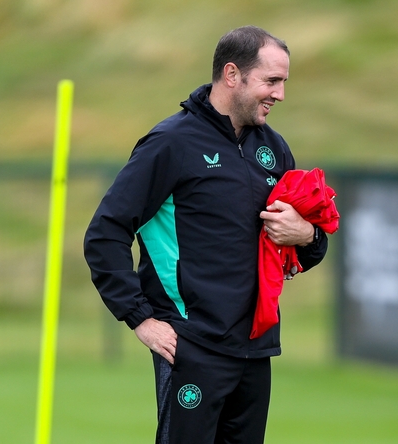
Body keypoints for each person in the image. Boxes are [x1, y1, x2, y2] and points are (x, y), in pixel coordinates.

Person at [84, 25, 328, 444]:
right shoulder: (170, 143)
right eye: (272, 81)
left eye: (284, 82)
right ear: (232, 74)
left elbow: (302, 251)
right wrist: (140, 318)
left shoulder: (275, 150)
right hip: (190, 346)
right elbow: (105, 233)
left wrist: (306, 234)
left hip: (256, 350)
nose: (280, 94)